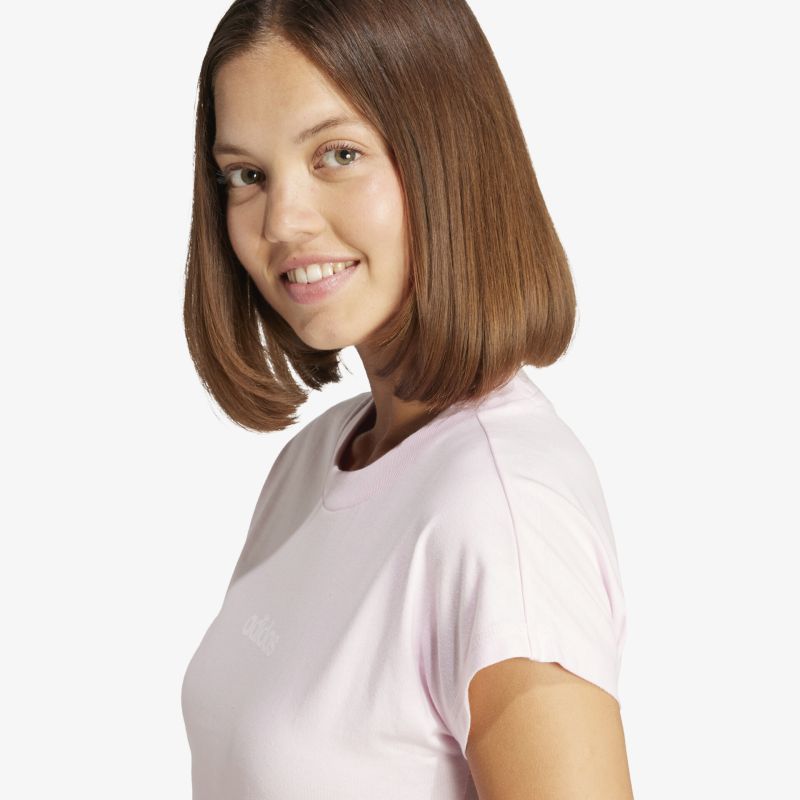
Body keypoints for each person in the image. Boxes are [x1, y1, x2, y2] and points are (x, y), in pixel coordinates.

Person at [180, 1, 634, 797]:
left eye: (337, 154)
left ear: (445, 153)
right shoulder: (313, 464)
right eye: (246, 176)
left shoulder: (501, 507)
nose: (282, 221)